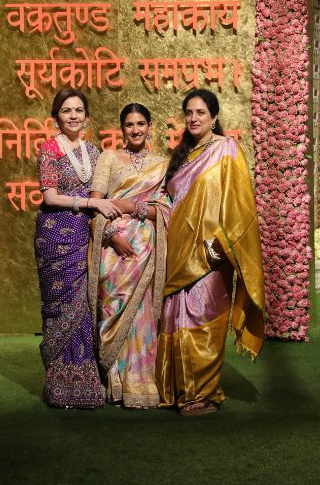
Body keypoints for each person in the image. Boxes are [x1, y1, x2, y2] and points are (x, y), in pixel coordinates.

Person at [156, 88, 266, 417]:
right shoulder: (182, 156)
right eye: (189, 113)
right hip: (178, 251)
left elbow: (239, 204)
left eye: (201, 112)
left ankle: (200, 394)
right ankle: (178, 390)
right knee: (177, 315)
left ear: (214, 117)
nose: (194, 118)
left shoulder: (227, 149)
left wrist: (220, 243)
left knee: (203, 316)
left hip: (212, 253)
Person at [35, 88, 122, 409]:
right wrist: (91, 203)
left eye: (78, 110)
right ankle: (59, 386)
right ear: (56, 116)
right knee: (60, 305)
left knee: (85, 304)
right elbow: (50, 197)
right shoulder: (49, 149)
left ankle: (85, 384)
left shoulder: (94, 152)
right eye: (66, 110)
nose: (73, 116)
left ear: (87, 116)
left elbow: (104, 193)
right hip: (55, 235)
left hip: (86, 234)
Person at [88, 104, 172, 409]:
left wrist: (131, 207)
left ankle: (140, 384)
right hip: (114, 250)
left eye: (140, 124)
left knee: (143, 313)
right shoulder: (108, 158)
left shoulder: (162, 165)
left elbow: (166, 211)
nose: (135, 130)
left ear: (150, 127)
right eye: (129, 125)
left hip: (146, 250)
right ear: (122, 129)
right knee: (114, 308)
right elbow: (94, 207)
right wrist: (113, 236)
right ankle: (114, 383)